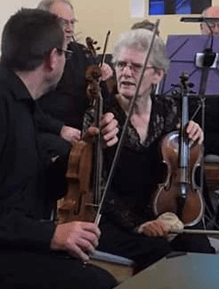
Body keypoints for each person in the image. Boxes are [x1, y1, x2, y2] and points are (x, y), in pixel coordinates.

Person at [0, 8, 118, 289]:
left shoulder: (22, 104)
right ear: (52, 58)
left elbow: (30, 190)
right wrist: (50, 234)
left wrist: (86, 149)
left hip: (14, 243)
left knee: (94, 278)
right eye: (65, 54)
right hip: (1, 254)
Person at [84, 29, 215, 273]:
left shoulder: (168, 110)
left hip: (163, 214)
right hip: (115, 220)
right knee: (160, 257)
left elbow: (181, 167)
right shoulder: (100, 115)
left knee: (201, 251)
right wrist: (139, 225)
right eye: (121, 64)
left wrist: (193, 137)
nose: (126, 72)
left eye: (136, 66)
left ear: (157, 75)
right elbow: (98, 188)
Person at [36, 0, 113, 156]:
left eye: (72, 22)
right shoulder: (34, 57)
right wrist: (60, 129)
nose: (69, 28)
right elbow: (26, 106)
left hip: (84, 133)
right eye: (63, 22)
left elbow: (104, 99)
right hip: (49, 133)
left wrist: (102, 78)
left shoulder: (82, 53)